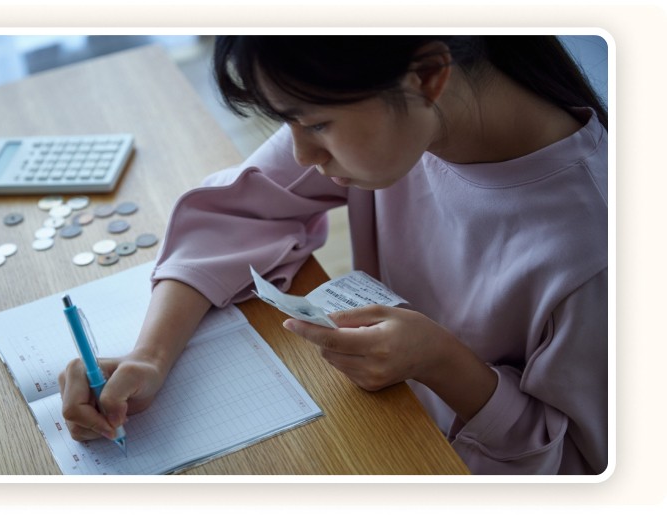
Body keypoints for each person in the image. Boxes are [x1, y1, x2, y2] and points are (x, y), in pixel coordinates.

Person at [58, 35, 608, 475]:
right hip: (382, 426)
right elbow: (235, 211)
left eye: (316, 123)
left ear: (427, 76)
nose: (302, 153)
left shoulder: (597, 250)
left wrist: (444, 364)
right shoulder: (399, 111)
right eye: (287, 121)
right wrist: (149, 356)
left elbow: (585, 471)